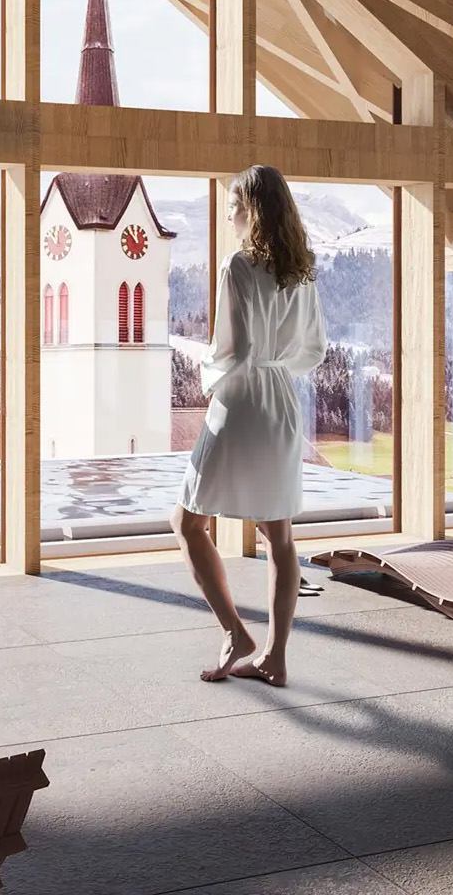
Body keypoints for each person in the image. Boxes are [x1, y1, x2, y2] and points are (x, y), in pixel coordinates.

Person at [171, 164, 327, 687]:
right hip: (281, 402)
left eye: (235, 204)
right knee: (279, 535)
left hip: (240, 403)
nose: (230, 213)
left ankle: (236, 632)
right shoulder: (301, 271)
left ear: (252, 210)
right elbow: (313, 351)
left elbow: (229, 349)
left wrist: (210, 380)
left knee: (188, 522)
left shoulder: (237, 266)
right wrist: (278, 369)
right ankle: (276, 658)